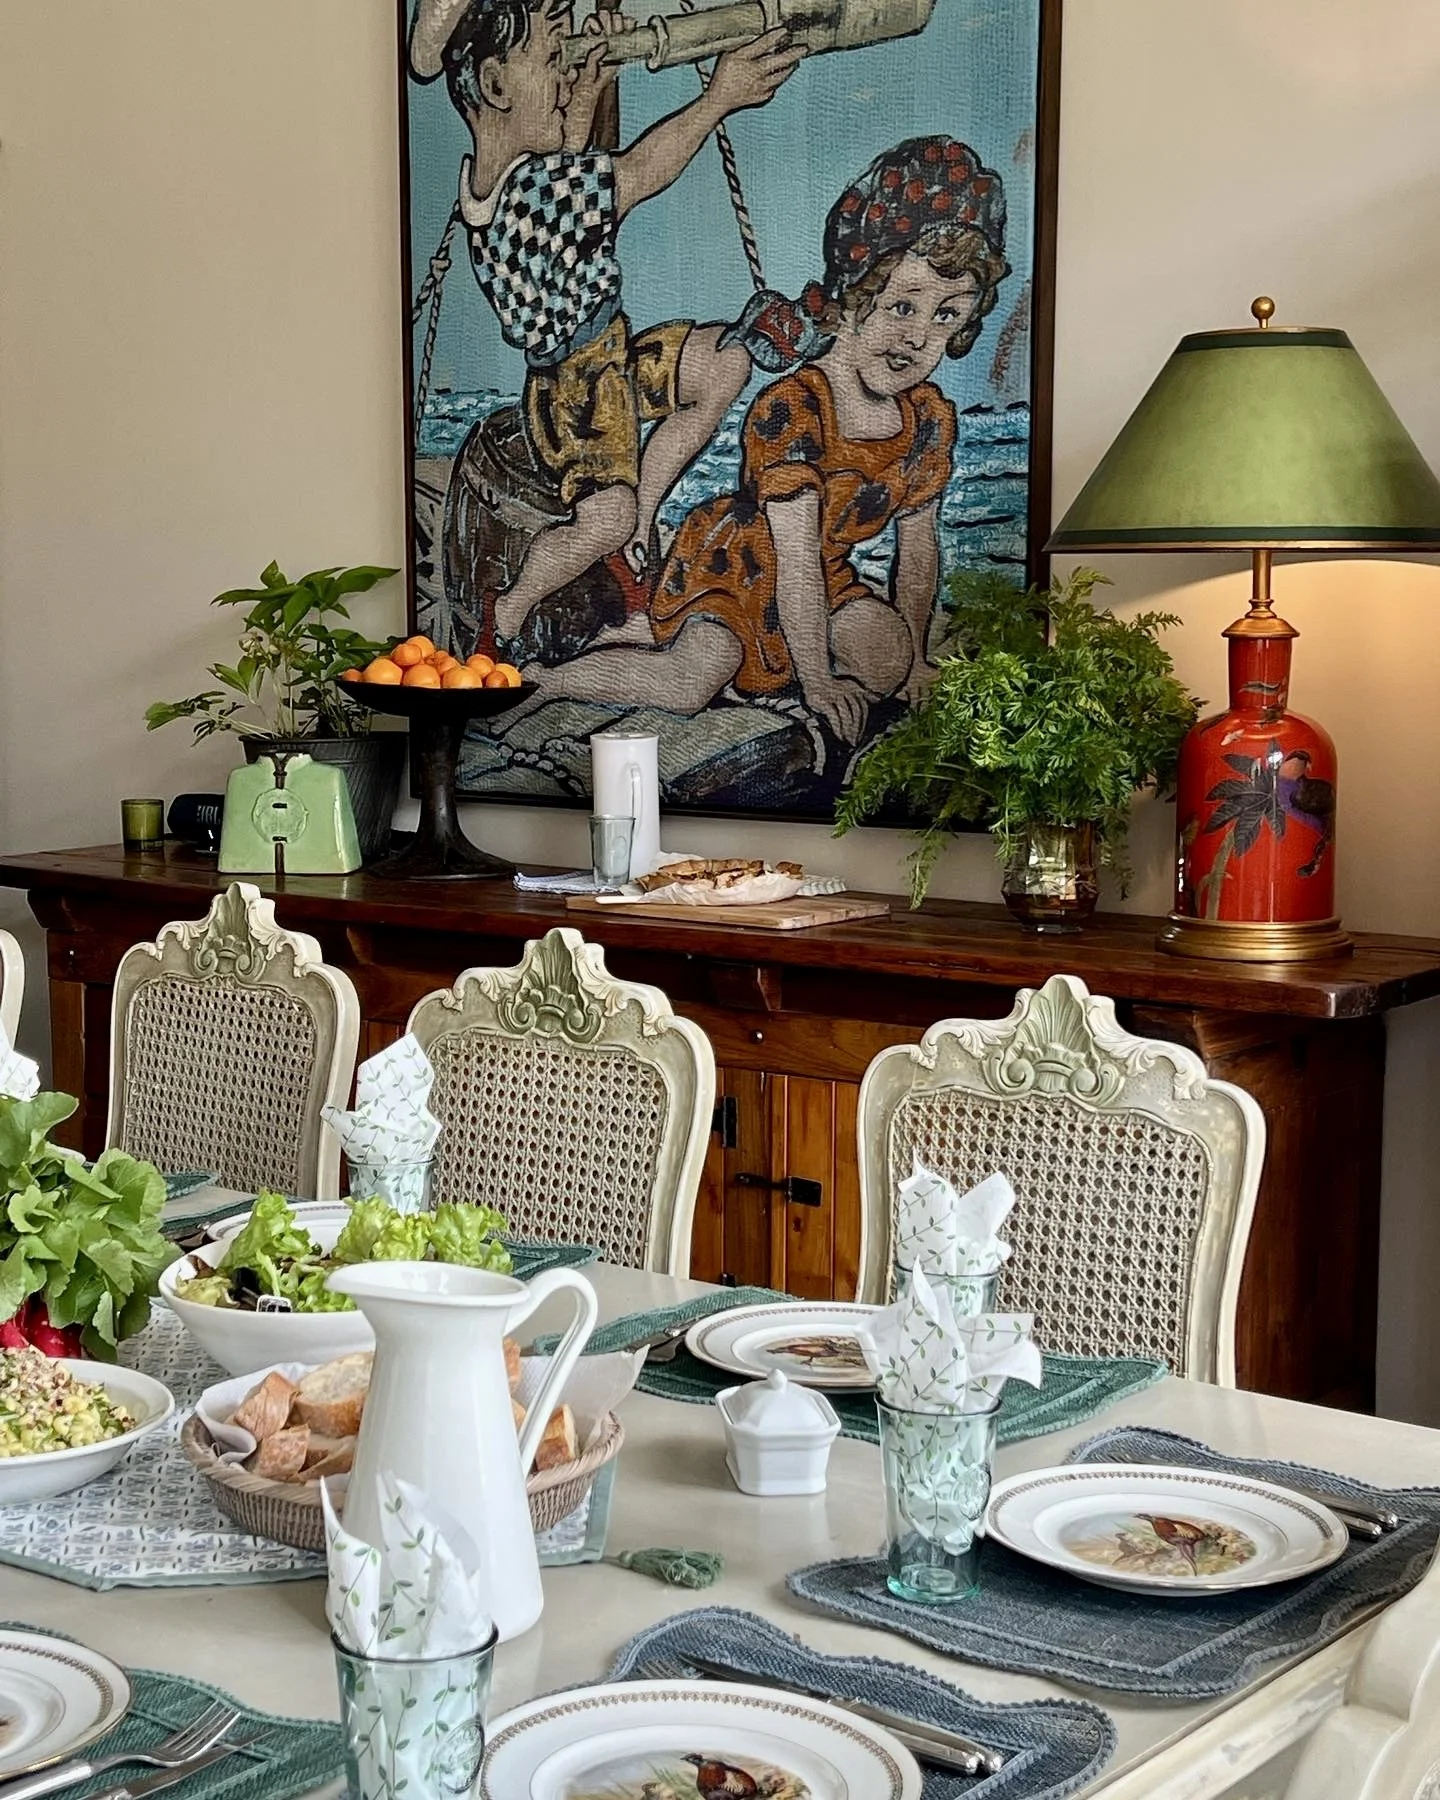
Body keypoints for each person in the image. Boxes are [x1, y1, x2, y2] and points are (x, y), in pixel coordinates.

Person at [520, 136, 1010, 743]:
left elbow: (917, 554)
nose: (917, 338)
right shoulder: (794, 409)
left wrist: (911, 659)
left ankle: (668, 635)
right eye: (903, 307)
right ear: (856, 295)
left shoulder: (928, 420)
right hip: (739, 569)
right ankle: (551, 678)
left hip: (824, 581)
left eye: (947, 316)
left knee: (886, 657)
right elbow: (793, 561)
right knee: (689, 681)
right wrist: (818, 685)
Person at [408, 0, 806, 642]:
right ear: (494, 83)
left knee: (724, 362)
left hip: (608, 355)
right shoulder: (535, 195)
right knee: (605, 517)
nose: (564, 74)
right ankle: (510, 608)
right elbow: (640, 172)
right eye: (550, 61)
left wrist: (586, 88)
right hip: (575, 392)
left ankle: (643, 520)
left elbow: (563, 151)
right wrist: (717, 100)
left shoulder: (497, 179)